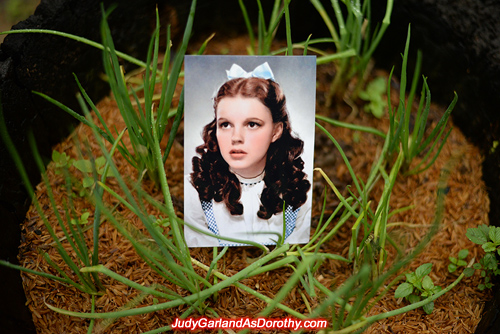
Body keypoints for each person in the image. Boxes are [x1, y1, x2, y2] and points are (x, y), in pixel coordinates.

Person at [184, 62, 311, 247]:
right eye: (225, 124)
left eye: (252, 124)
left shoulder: (299, 191)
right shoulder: (195, 191)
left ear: (275, 131)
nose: (236, 138)